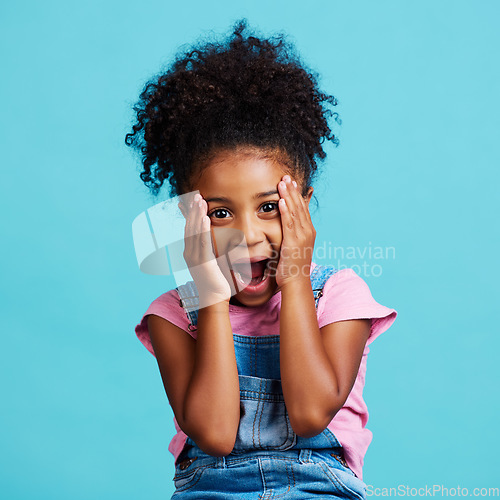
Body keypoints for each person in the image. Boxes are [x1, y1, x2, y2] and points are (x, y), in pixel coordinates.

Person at [126, 18, 398, 499]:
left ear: (304, 207)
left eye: (269, 207)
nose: (247, 235)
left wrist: (294, 279)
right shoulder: (173, 315)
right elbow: (214, 433)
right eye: (220, 212)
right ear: (187, 219)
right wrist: (208, 291)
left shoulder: (339, 295)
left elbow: (311, 413)